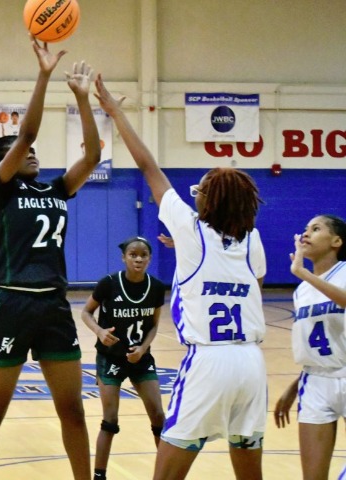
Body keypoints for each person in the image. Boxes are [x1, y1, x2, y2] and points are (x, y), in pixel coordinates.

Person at [95, 76, 267, 480]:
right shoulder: (253, 240)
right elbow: (250, 290)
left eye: (199, 191)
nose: (195, 195)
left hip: (209, 361)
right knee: (249, 467)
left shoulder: (192, 229)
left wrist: (115, 112)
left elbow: (148, 166)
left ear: (211, 200)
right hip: (251, 363)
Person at [0, 36, 100, 480]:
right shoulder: (1, 190)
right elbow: (27, 134)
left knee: (73, 411)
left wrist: (82, 99)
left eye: (34, 152)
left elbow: (94, 155)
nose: (32, 153)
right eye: (22, 151)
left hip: (53, 305)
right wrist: (44, 76)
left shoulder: (58, 189)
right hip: (10, 302)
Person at [81, 236, 166, 480]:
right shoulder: (109, 283)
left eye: (143, 255)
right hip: (110, 358)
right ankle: (99, 475)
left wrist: (143, 349)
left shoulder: (156, 287)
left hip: (140, 359)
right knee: (110, 419)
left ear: (149, 259)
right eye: (133, 254)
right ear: (124, 258)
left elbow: (154, 325)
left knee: (158, 415)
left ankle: (166, 473)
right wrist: (99, 331)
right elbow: (86, 312)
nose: (138, 259)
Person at [273, 214, 346, 480]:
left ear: (336, 241)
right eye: (305, 229)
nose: (306, 234)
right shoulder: (301, 291)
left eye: (315, 229)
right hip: (315, 381)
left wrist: (302, 272)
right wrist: (295, 386)